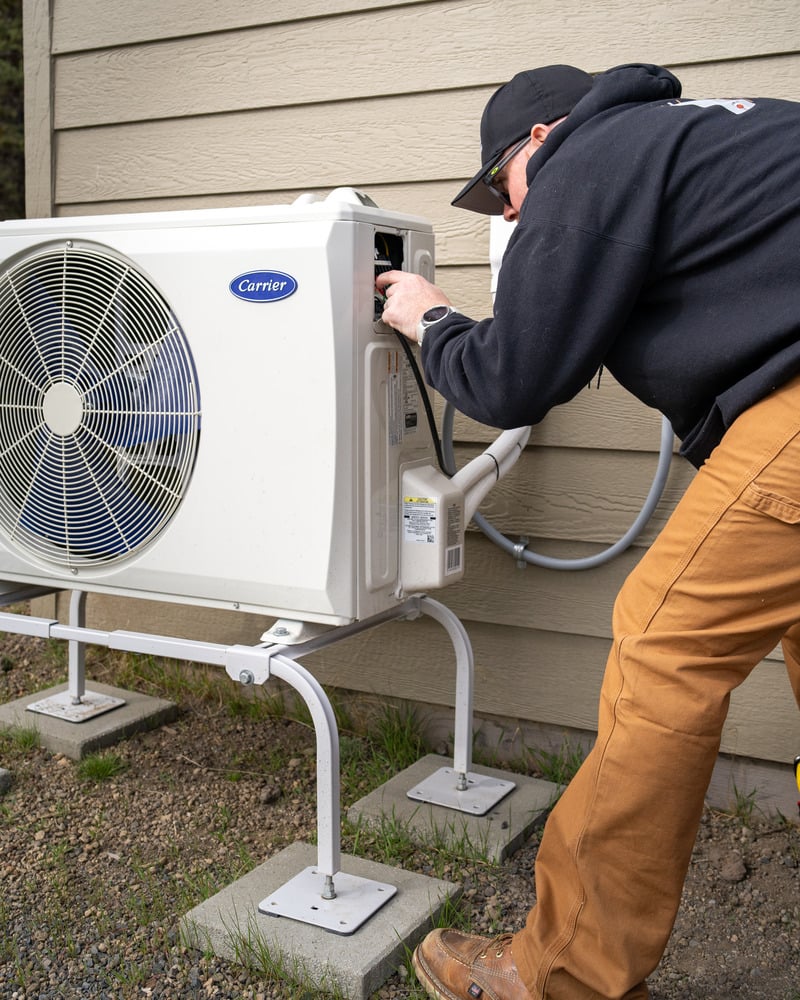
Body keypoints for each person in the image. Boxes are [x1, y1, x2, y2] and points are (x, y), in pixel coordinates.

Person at [375, 63, 800, 1000]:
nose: (508, 212)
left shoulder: (587, 160)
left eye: (500, 188)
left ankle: (559, 973)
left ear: (537, 139)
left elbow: (513, 378)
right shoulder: (709, 133)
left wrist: (428, 316)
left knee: (662, 647)